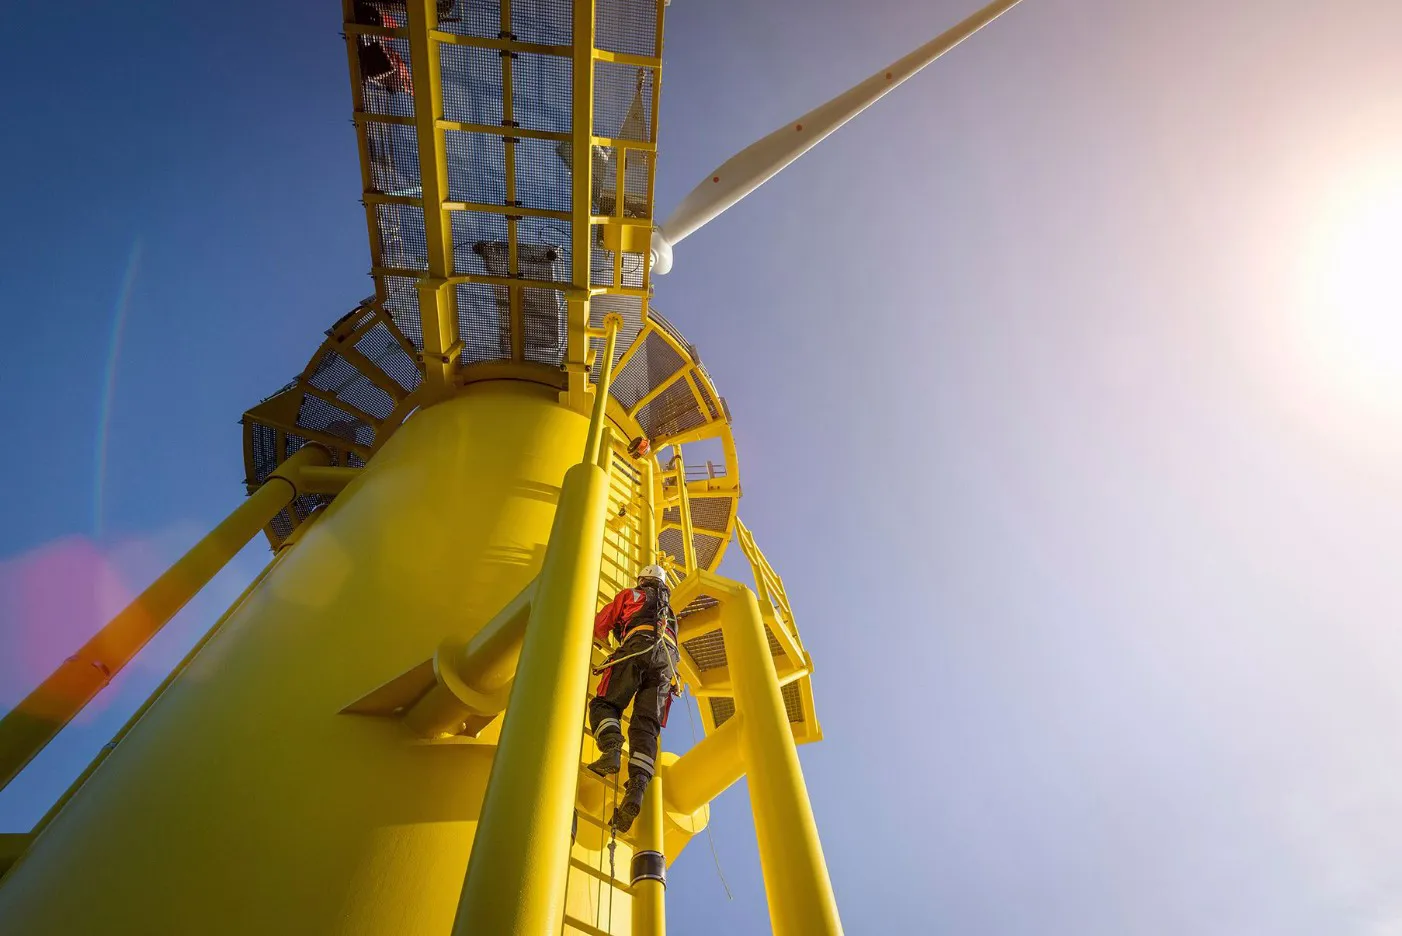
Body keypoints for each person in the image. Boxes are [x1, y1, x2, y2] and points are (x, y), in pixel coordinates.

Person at [587, 564, 679, 833]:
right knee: (646, 728)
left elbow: (600, 625)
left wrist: (602, 640)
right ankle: (637, 788)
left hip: (638, 645)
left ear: (642, 580)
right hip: (667, 664)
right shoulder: (671, 613)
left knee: (605, 703)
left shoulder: (632, 595)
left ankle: (611, 749)